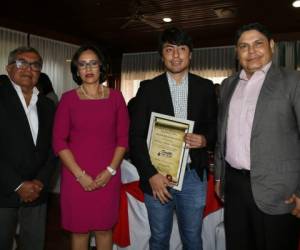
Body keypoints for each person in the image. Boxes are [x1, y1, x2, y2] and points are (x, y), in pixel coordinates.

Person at [129, 27, 217, 250]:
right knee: (159, 238)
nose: (176, 55)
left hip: (193, 176)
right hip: (158, 177)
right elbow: (136, 137)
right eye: (169, 50)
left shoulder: (205, 87)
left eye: (182, 49)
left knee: (193, 239)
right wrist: (151, 175)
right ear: (162, 55)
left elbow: (215, 127)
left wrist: (205, 140)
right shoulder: (148, 89)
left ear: (190, 54)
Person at [214, 22, 300, 250]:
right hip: (234, 187)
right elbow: (222, 135)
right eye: (244, 46)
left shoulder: (293, 81)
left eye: (258, 44)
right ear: (236, 52)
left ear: (272, 45)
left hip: (279, 191)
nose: (251, 51)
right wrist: (220, 178)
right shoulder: (227, 85)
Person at [52, 44, 129, 250]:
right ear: (77, 70)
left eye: (93, 63)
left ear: (101, 67)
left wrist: (110, 170)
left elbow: (123, 139)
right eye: (83, 64)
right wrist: (80, 175)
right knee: (79, 231)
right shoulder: (68, 99)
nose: (88, 69)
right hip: (75, 176)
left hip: (108, 175)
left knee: (105, 230)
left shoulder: (116, 98)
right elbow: (59, 141)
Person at [0, 46, 56, 250]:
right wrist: (17, 185)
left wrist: (40, 181)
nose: (28, 69)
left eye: (35, 65)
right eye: (22, 63)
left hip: (37, 191)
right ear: (8, 68)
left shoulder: (47, 105)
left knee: (34, 245)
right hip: (3, 190)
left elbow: (53, 149)